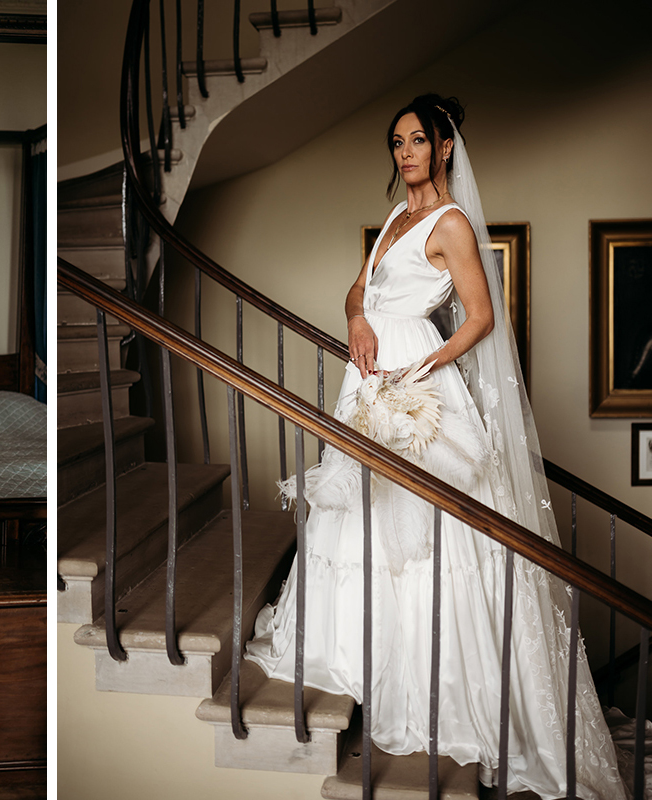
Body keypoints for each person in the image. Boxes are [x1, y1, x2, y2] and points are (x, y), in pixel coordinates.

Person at [246, 95, 626, 798]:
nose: (406, 153)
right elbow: (358, 289)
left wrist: (421, 369)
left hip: (413, 381)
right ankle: (350, 656)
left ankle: (432, 691)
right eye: (397, 142)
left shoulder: (451, 223)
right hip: (367, 382)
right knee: (360, 516)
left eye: (418, 140)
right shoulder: (396, 216)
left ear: (445, 147)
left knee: (428, 536)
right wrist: (358, 319)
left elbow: (480, 317)